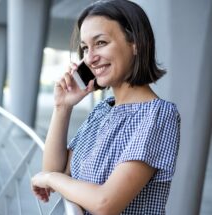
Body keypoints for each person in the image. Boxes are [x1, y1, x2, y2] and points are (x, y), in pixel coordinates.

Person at [31, 0, 181, 214]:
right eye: (85, 48)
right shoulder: (103, 110)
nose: (90, 58)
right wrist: (62, 107)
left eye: (100, 43)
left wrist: (50, 178)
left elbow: (105, 203)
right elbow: (56, 170)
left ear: (135, 43)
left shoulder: (157, 115)